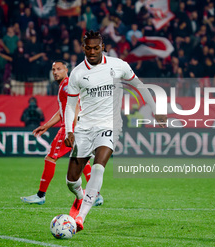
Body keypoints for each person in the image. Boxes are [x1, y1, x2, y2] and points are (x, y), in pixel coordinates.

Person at [64, 30, 167, 232]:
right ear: (82, 47)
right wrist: (70, 130)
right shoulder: (77, 73)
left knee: (99, 165)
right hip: (84, 127)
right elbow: (70, 105)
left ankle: (81, 218)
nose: (92, 51)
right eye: (88, 47)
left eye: (96, 47)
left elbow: (140, 86)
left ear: (103, 46)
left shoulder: (118, 65)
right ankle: (79, 196)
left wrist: (156, 110)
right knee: (71, 180)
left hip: (110, 124)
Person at [20, 60, 104, 206]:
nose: (55, 72)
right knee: (83, 161)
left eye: (59, 69)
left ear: (66, 70)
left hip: (69, 128)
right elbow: (62, 112)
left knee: (51, 158)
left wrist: (74, 130)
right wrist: (46, 126)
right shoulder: (65, 86)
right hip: (77, 127)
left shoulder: (66, 85)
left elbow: (76, 105)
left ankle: (41, 195)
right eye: (53, 69)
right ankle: (96, 195)